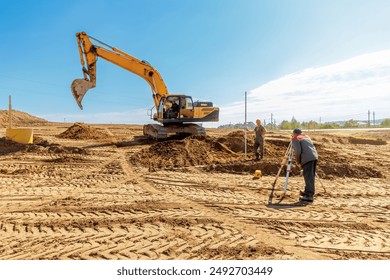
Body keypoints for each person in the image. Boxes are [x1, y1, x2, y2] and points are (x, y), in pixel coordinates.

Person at [291, 128, 318, 203]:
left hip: (307, 158)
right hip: (314, 157)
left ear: (294, 133)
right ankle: (307, 191)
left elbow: (298, 151)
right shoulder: (306, 136)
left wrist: (298, 161)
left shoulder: (295, 138)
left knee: (308, 177)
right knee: (310, 176)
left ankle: (309, 196)